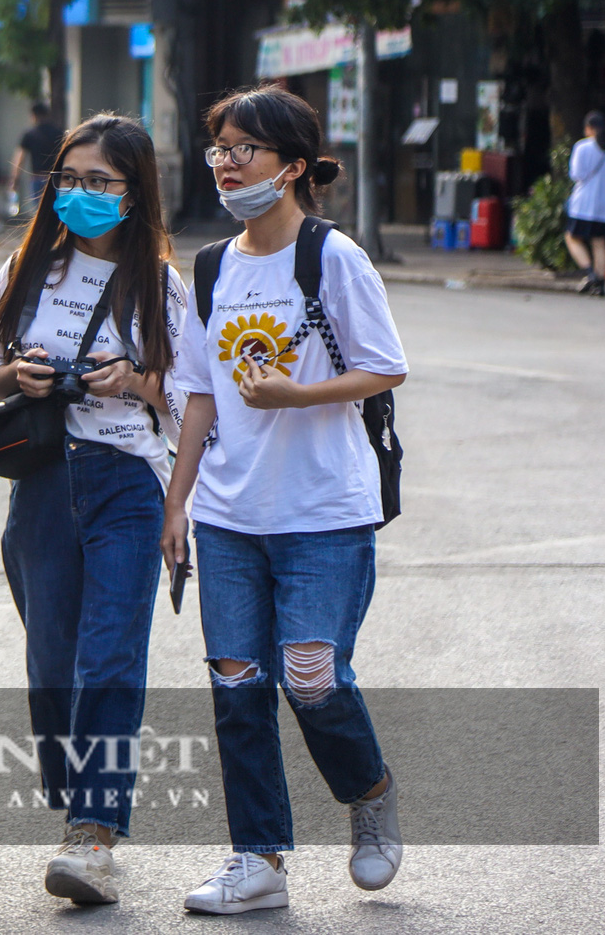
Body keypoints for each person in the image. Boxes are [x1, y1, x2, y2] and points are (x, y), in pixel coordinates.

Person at [163, 85, 409, 915]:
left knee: (311, 678)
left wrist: (295, 395)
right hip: (229, 516)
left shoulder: (331, 256)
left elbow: (383, 366)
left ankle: (368, 791)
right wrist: (177, 502)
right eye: (220, 150)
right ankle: (258, 856)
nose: (228, 165)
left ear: (294, 166)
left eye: (245, 150)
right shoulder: (210, 264)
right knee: (237, 683)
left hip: (323, 514)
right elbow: (198, 390)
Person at [0, 113, 189, 905]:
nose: (82, 193)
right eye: (70, 179)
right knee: (51, 665)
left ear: (134, 194)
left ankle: (93, 832)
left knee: (109, 658)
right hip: (41, 484)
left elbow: (193, 398)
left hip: (126, 484)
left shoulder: (160, 283)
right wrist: (13, 378)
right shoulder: (30, 268)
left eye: (101, 181)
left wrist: (133, 377)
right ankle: (76, 806)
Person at [563, 110, 605, 295]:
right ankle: (600, 282)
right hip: (603, 205)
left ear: (589, 128)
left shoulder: (583, 147)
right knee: (599, 243)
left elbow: (576, 175)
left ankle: (590, 273)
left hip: (583, 204)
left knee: (571, 237)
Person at [10, 101, 64, 213]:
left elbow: (20, 158)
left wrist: (15, 179)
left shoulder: (30, 134)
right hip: (54, 178)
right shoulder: (58, 132)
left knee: (39, 212)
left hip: (37, 178)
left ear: (33, 115)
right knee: (55, 211)